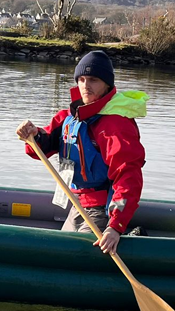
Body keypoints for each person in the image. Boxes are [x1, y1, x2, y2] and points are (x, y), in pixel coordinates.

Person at [16, 50, 148, 255]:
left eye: (93, 80)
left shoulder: (116, 124)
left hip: (102, 212)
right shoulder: (70, 116)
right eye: (82, 79)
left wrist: (115, 226)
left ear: (106, 84)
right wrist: (32, 135)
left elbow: (128, 175)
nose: (86, 85)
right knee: (59, 256)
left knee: (70, 259)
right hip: (76, 206)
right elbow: (41, 146)